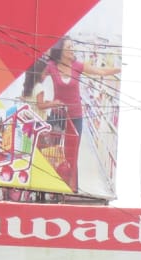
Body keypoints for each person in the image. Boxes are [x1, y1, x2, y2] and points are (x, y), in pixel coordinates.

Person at [35, 38, 120, 192]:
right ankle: (52, 183)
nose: (72, 49)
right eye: (69, 47)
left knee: (72, 153)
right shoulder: (51, 67)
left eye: (72, 46)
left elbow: (99, 71)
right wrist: (44, 100)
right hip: (57, 115)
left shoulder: (77, 66)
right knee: (52, 151)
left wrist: (119, 70)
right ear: (61, 51)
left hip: (75, 116)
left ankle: (72, 187)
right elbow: (37, 80)